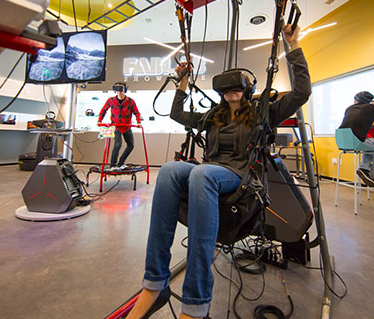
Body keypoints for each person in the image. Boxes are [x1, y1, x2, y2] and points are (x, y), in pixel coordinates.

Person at [126, 24, 311, 319]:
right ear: (221, 91)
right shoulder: (214, 116)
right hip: (210, 176)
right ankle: (154, 283)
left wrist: (293, 45)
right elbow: (176, 114)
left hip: (240, 181)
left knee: (202, 174)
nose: (232, 92)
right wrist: (182, 83)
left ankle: (196, 300)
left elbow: (302, 92)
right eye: (227, 88)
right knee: (170, 170)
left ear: (247, 88)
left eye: (237, 86)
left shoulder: (265, 111)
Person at [98, 82, 142, 170]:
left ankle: (121, 163)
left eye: (120, 89)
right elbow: (104, 110)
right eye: (116, 89)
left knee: (131, 145)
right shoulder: (110, 100)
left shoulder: (130, 101)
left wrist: (138, 122)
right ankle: (113, 165)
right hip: (116, 126)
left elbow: (136, 112)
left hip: (126, 126)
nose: (119, 92)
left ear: (125, 90)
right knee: (118, 145)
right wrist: (99, 120)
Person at [339, 91, 374, 187]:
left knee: (370, 147)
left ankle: (365, 170)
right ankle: (370, 175)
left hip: (342, 141)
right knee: (370, 144)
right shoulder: (370, 108)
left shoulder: (349, 108)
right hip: (357, 141)